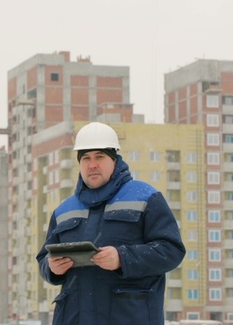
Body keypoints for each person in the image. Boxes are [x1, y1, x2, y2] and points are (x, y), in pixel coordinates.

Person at [36, 122, 186, 325]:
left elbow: (171, 250)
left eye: (100, 157)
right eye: (86, 158)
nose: (92, 164)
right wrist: (51, 267)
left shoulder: (146, 197)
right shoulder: (64, 210)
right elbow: (44, 258)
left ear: (115, 160)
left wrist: (123, 258)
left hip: (129, 317)